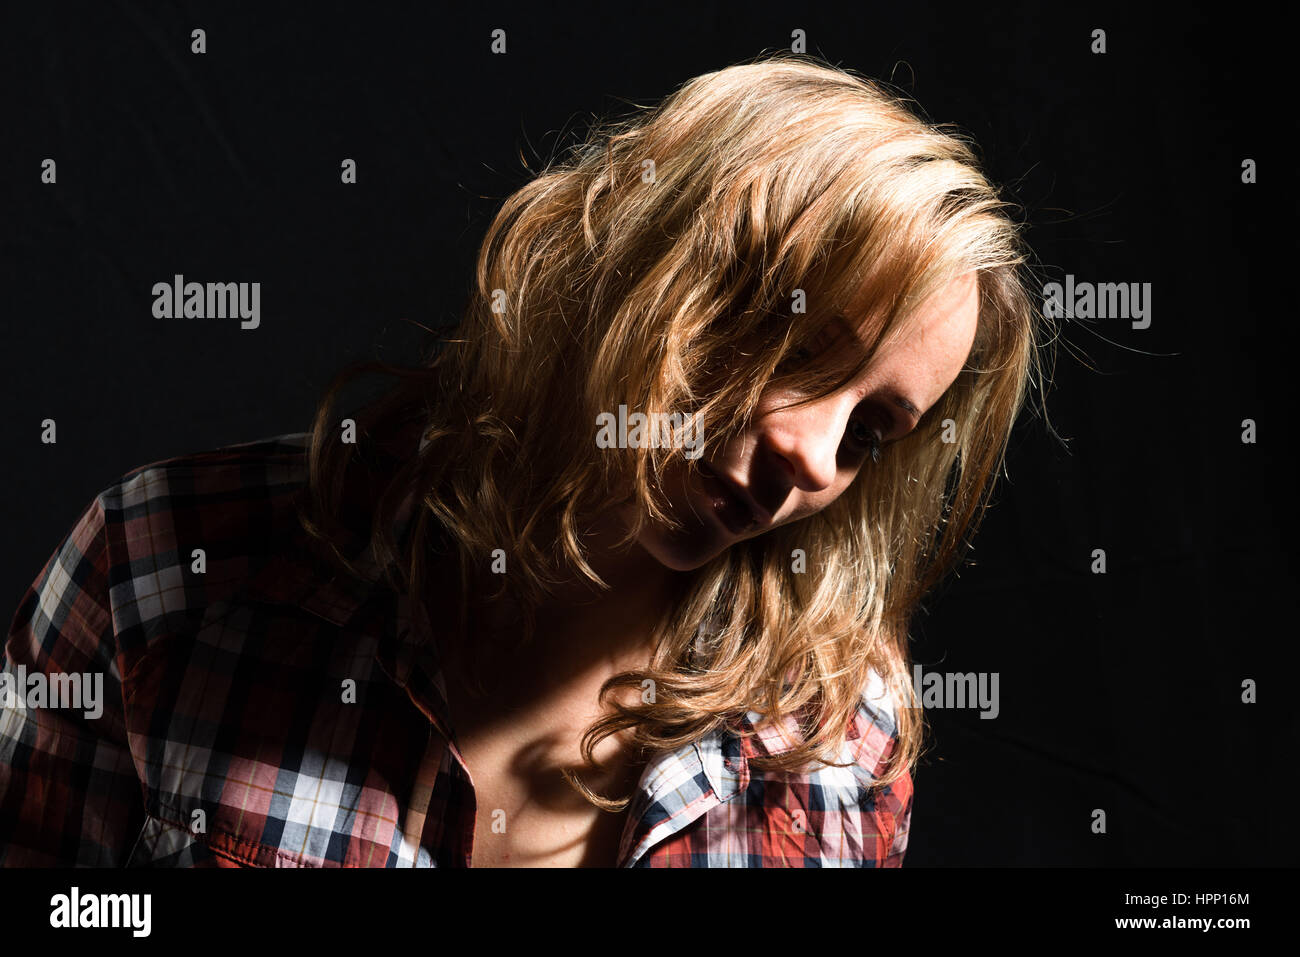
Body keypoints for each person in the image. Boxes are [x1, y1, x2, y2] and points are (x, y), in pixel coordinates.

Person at [0, 53, 1047, 867]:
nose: (809, 455)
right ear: (639, 257)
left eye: (870, 430)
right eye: (792, 347)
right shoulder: (164, 569)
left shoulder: (835, 732)